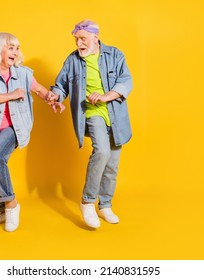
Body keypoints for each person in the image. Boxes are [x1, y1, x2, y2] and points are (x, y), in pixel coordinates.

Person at [0, 32, 64, 232]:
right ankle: (2, 210)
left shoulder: (23, 73)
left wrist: (52, 99)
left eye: (17, 47)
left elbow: (39, 90)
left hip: (15, 126)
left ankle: (12, 205)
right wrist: (11, 95)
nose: (16, 52)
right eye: (11, 47)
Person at [49, 20, 133, 228]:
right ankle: (87, 202)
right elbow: (61, 85)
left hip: (114, 114)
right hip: (91, 112)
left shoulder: (115, 55)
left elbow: (126, 81)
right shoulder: (72, 60)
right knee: (102, 152)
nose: (79, 43)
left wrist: (105, 97)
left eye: (83, 38)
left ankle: (104, 205)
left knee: (112, 164)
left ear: (95, 37)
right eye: (76, 39)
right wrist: (56, 97)